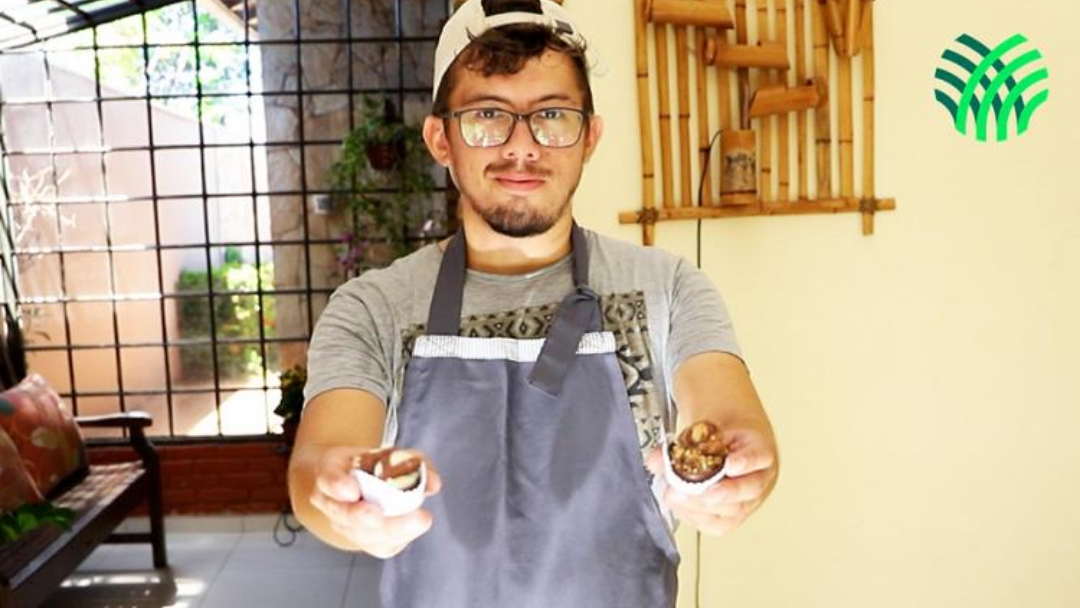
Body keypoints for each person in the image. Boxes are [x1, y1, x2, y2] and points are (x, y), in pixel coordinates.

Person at [289, 0, 778, 605]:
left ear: (590, 136)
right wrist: (335, 499)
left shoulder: (669, 288)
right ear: (441, 138)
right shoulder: (371, 308)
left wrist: (743, 468)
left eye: (551, 114)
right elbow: (321, 455)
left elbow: (730, 417)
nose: (522, 147)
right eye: (488, 115)